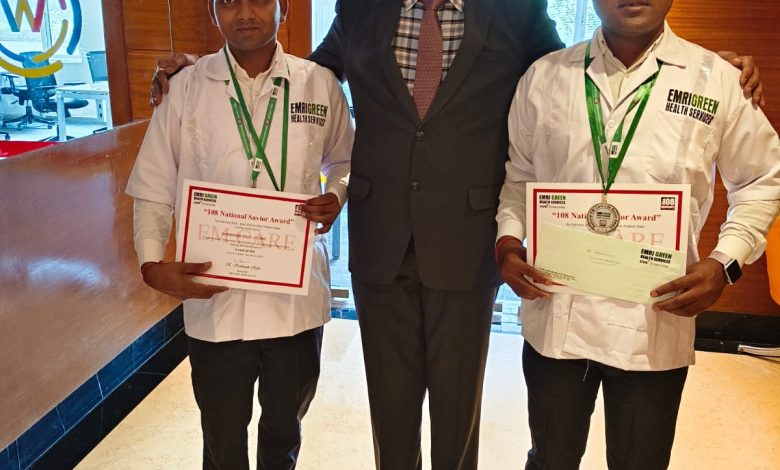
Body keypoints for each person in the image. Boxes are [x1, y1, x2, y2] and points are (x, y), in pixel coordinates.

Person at [149, 2, 764, 468]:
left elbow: (588, 69)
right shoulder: (360, 7)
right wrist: (204, 70)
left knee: (456, 402)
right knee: (390, 403)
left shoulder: (515, 11)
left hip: (468, 239)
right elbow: (301, 76)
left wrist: (708, 70)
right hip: (380, 236)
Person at [495, 0, 780, 468]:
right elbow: (520, 178)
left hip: (655, 317)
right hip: (557, 312)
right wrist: (509, 241)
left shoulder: (717, 80)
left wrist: (725, 263)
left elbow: (761, 180)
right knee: (549, 459)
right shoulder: (543, 78)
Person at [126, 0, 354, 468]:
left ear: (283, 7)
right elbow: (153, 186)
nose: (245, 13)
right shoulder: (185, 88)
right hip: (215, 297)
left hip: (294, 300)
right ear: (213, 12)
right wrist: (150, 264)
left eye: (259, 0)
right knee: (222, 437)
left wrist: (337, 193)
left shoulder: (318, 83)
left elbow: (346, 159)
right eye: (229, 1)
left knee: (284, 434)